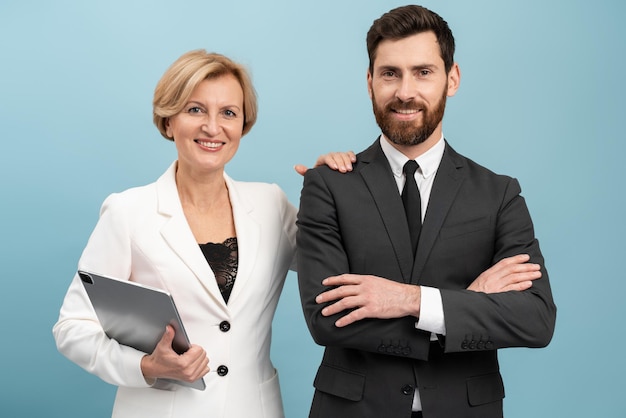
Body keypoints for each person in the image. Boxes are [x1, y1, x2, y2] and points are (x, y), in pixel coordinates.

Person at [52, 49, 354, 418]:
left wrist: (337, 188)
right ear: (168, 122)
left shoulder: (270, 205)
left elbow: (339, 258)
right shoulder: (127, 212)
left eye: (228, 112)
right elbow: (72, 327)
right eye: (195, 110)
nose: (213, 127)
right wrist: (146, 366)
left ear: (243, 125)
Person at [296, 5, 557, 418]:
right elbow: (327, 317)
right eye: (390, 73)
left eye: (423, 72)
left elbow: (535, 319)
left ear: (451, 79)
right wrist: (464, 307)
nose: (404, 91)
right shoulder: (328, 184)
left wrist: (410, 300)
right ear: (369, 82)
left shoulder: (498, 194)